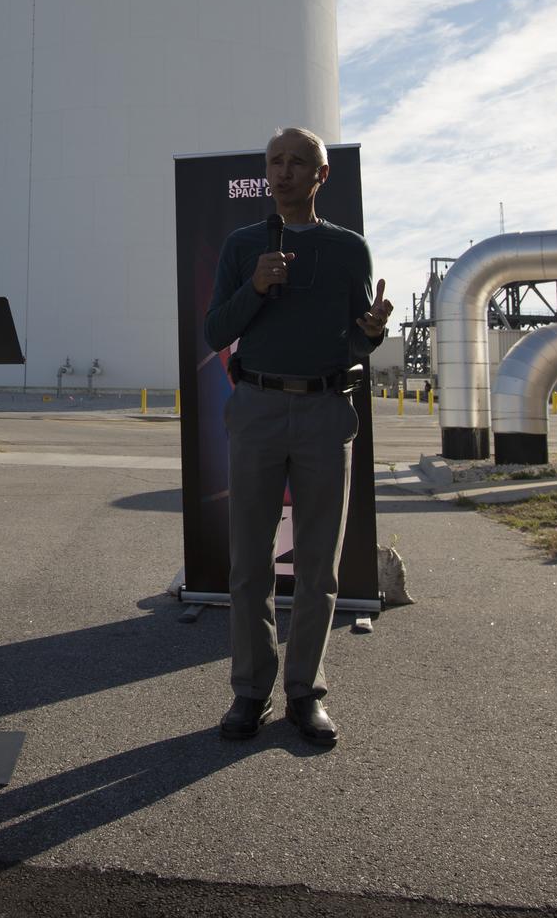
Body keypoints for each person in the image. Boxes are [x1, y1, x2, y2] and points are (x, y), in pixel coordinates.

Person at [204, 127, 392, 747]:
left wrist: (372, 332)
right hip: (256, 408)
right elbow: (215, 331)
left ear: (321, 174)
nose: (283, 172)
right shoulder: (243, 245)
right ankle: (250, 691)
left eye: (297, 162)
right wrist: (255, 287)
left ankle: (305, 693)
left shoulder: (348, 249)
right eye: (274, 162)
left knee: (318, 565)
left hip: (324, 412)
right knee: (249, 563)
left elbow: (354, 341)